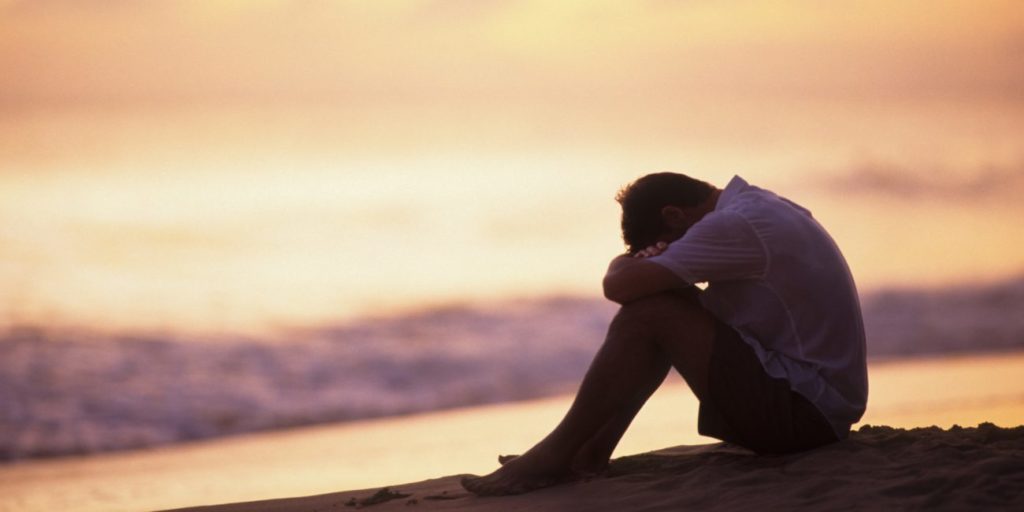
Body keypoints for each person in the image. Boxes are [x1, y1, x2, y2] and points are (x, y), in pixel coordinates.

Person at [461, 173, 868, 496]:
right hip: (816, 402)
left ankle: (557, 455)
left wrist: (625, 263)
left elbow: (618, 288)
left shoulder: (734, 225)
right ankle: (585, 453)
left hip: (805, 417)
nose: (664, 253)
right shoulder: (759, 208)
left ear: (675, 216)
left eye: (661, 245)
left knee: (650, 310)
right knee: (663, 298)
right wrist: (646, 267)